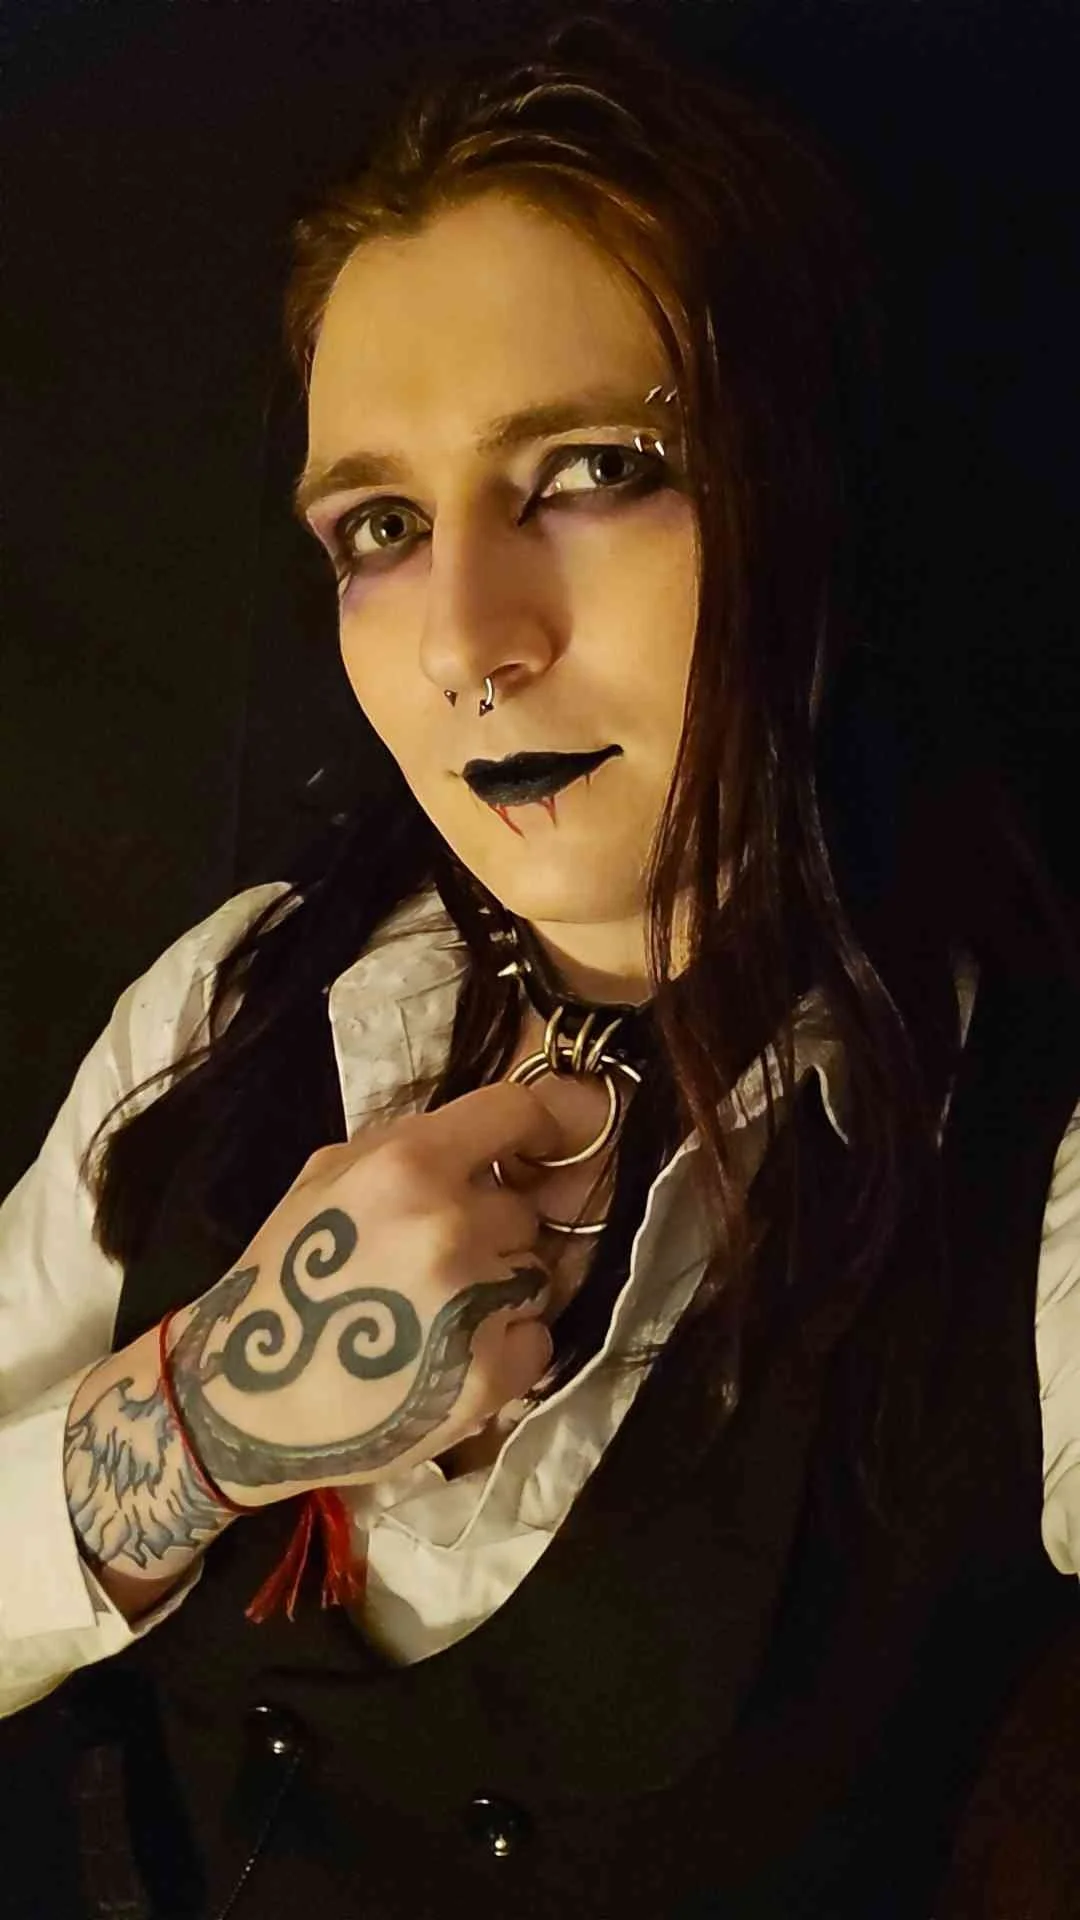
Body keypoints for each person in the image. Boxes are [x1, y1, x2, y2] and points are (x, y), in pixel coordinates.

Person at [1, 12, 1077, 1918]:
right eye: (383, 525)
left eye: (592, 469)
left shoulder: (1028, 1147)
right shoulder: (235, 1000)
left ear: (813, 492)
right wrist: (206, 1421)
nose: (465, 644)